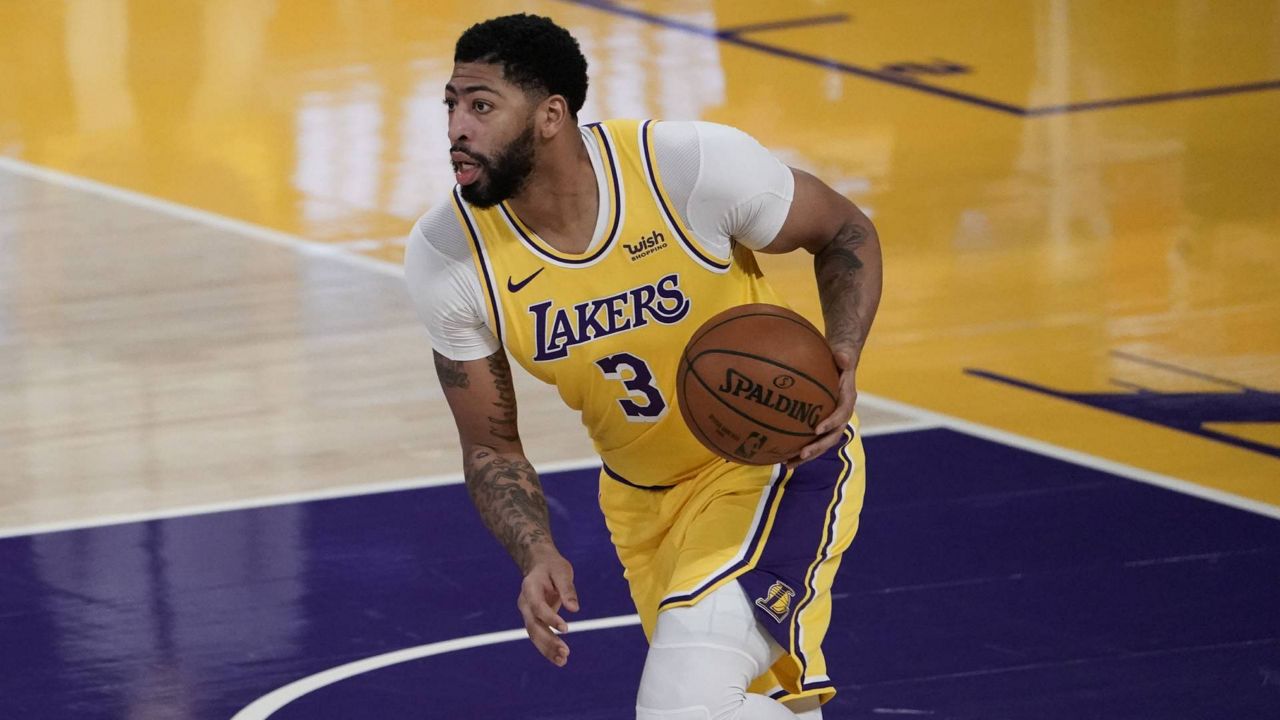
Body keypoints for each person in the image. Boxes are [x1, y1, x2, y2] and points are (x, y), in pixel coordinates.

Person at [405, 13, 882, 720]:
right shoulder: (449, 253)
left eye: (481, 105)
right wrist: (535, 550)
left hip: (775, 465)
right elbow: (490, 446)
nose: (456, 129)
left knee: (679, 710)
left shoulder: (684, 168)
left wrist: (840, 351)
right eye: (451, 103)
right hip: (643, 508)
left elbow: (844, 229)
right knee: (743, 708)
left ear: (550, 116)